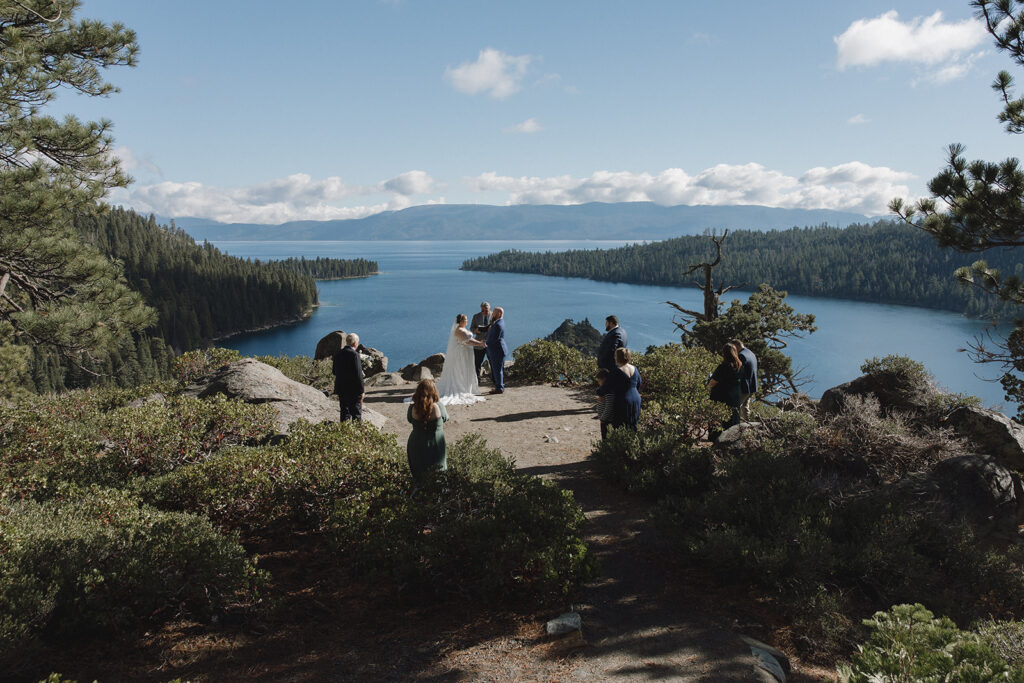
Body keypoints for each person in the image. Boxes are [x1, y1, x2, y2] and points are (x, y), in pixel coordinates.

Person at [436, 313, 487, 405]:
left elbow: (470, 338)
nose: (467, 321)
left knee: (466, 370)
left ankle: (466, 387)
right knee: (461, 370)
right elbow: (467, 342)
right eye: (466, 319)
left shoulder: (463, 329)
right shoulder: (459, 330)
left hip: (466, 353)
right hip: (461, 355)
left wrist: (479, 342)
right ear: (462, 321)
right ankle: (462, 388)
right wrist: (480, 344)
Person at [406, 378, 449, 481]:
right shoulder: (439, 406)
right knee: (439, 476)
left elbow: (409, 419)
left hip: (415, 444)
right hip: (435, 444)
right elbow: (446, 418)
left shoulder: (412, 408)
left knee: (418, 476)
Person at [597, 347, 642, 431]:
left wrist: (599, 392)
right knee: (633, 425)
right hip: (636, 399)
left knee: (620, 426)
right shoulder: (635, 369)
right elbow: (639, 384)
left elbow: (606, 387)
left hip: (622, 400)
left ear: (617, 358)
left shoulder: (616, 371)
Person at [709, 343, 742, 432]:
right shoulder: (740, 366)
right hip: (735, 396)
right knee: (733, 417)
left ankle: (716, 436)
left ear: (724, 353)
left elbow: (712, 382)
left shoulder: (723, 366)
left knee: (719, 418)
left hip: (721, 395)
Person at [332, 332, 364, 421]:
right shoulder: (354, 355)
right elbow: (358, 375)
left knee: (344, 412)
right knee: (356, 414)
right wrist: (361, 391)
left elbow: (334, 372)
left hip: (341, 388)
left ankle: (344, 432)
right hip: (353, 389)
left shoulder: (338, 354)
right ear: (355, 343)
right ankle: (356, 433)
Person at [731, 338, 758, 422]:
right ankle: (748, 426)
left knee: (734, 407)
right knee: (745, 407)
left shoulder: (741, 355)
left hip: (744, 387)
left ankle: (734, 426)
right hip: (752, 386)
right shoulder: (751, 353)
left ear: (736, 346)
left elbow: (738, 372)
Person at [485, 306, 508, 394]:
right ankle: (500, 386)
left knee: (497, 370)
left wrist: (485, 342)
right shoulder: (499, 322)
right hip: (499, 349)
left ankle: (499, 388)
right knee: (499, 369)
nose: (492, 314)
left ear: (499, 314)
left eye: (494, 312)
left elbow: (494, 338)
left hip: (497, 349)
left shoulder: (498, 324)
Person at [470, 302, 492, 380]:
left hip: (490, 343)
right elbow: (471, 329)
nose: (484, 312)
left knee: (492, 361)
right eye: (482, 311)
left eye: (486, 310)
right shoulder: (476, 316)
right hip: (478, 343)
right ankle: (477, 381)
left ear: (489, 309)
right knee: (477, 363)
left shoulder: (493, 316)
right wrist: (476, 331)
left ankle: (494, 380)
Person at [595, 367, 617, 439]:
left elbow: (609, 406)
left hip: (607, 420)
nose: (598, 383)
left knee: (606, 437)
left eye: (599, 381)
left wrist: (603, 418)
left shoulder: (608, 392)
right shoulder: (603, 391)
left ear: (604, 379)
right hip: (603, 418)